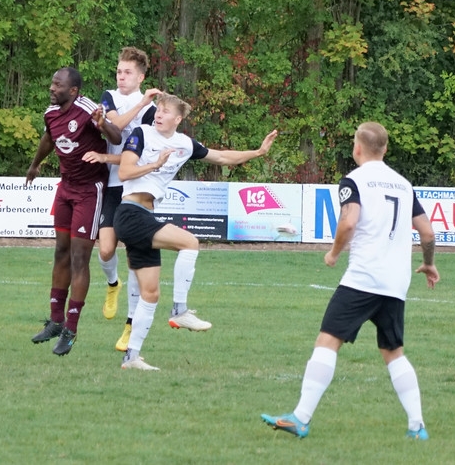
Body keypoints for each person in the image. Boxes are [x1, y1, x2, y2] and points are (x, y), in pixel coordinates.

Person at [261, 121, 439, 440]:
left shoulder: (354, 180)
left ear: (357, 148)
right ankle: (417, 427)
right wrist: (428, 264)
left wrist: (333, 254)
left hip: (363, 277)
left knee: (328, 341)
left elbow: (348, 222)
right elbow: (427, 233)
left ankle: (300, 418)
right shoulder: (403, 185)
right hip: (396, 282)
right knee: (393, 351)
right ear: (385, 149)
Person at [110, 93, 277, 370]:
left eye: (165, 111)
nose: (158, 114)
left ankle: (132, 357)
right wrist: (155, 164)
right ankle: (180, 310)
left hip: (144, 216)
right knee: (189, 242)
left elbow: (221, 157)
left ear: (178, 119)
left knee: (150, 295)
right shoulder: (142, 134)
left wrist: (258, 152)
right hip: (130, 213)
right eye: (158, 110)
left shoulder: (184, 143)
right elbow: (125, 172)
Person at [26, 67, 122, 356]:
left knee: (80, 258)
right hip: (65, 188)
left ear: (73, 91)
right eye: (52, 83)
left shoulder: (87, 109)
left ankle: (71, 329)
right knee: (60, 252)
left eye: (58, 85)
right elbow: (48, 138)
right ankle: (55, 321)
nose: (52, 88)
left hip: (89, 191)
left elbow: (116, 137)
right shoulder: (51, 113)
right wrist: (34, 165)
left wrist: (103, 124)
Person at [96, 48, 159, 345]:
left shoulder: (152, 111)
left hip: (136, 187)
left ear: (141, 77)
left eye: (128, 72)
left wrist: (145, 104)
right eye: (119, 71)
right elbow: (115, 129)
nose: (121, 77)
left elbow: (138, 155)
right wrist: (140, 104)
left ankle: (130, 325)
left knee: (135, 257)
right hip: (111, 184)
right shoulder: (109, 96)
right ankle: (112, 284)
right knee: (106, 250)